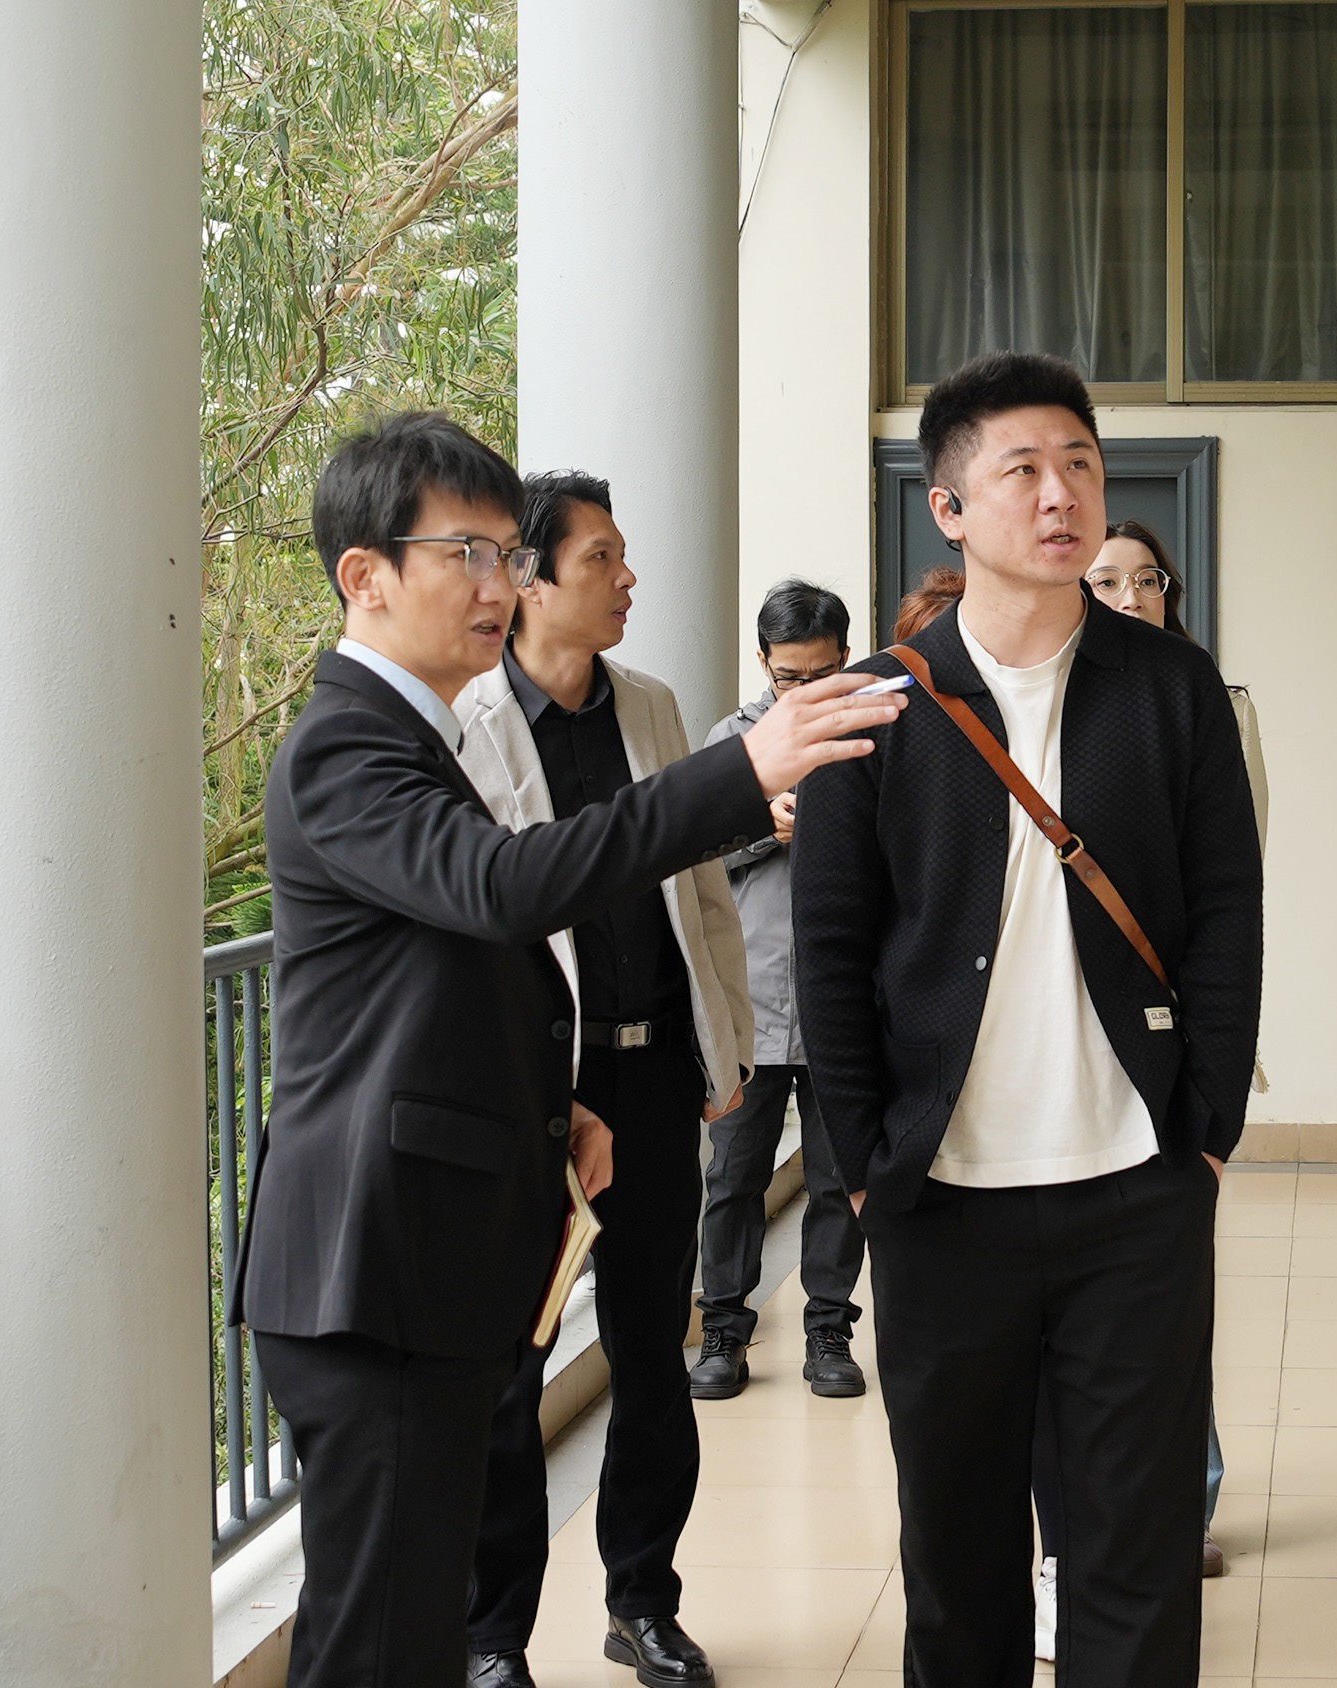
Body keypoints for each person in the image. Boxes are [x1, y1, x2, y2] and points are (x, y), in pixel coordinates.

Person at [238, 410, 905, 1688]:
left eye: (505, 552)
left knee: (400, 1625)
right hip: (372, 1264)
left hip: (430, 1244)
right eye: (467, 554)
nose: (497, 584)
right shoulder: (345, 744)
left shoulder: (417, 732)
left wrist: (555, 1102)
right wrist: (743, 767)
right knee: (379, 1639)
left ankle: (627, 1600)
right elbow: (504, 888)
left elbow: (450, 971)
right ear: (365, 576)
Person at [796, 350, 1263, 1688]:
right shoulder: (876, 708)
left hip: (1136, 1189)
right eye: (1023, 470)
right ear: (948, 508)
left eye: (1080, 465)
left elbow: (1227, 912)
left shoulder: (1171, 687)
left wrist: (1204, 1131)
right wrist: (868, 1162)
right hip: (943, 1197)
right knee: (960, 1564)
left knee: (1137, 1554)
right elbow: (831, 954)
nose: (1060, 494)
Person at [441, 470, 764, 1688]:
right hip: (541, 1098)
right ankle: (491, 1635)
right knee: (512, 1372)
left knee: (652, 1354)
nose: (628, 578)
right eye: (601, 560)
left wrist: (727, 1042)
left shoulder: (654, 705)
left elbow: (704, 887)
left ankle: (644, 1601)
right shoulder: (468, 721)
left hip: (656, 1079)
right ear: (528, 580)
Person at [1018, 520, 1264, 1658]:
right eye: (1104, 578)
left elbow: (1233, 886)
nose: (1125, 594)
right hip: (1024, 1086)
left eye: (1144, 579)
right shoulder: (1010, 700)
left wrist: (1213, 1099)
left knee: (1157, 1339)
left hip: (1164, 1062)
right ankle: (1065, 1547)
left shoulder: (1205, 700)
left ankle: (1176, 1502)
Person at [690, 579, 871, 1401]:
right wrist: (763, 825)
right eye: (788, 676)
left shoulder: (871, 732)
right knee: (734, 1178)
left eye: (821, 674)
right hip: (753, 1004)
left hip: (845, 1000)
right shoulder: (730, 744)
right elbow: (688, 856)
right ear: (763, 661)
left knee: (838, 1179)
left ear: (846, 657)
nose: (802, 690)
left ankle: (829, 1330)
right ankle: (723, 1332)